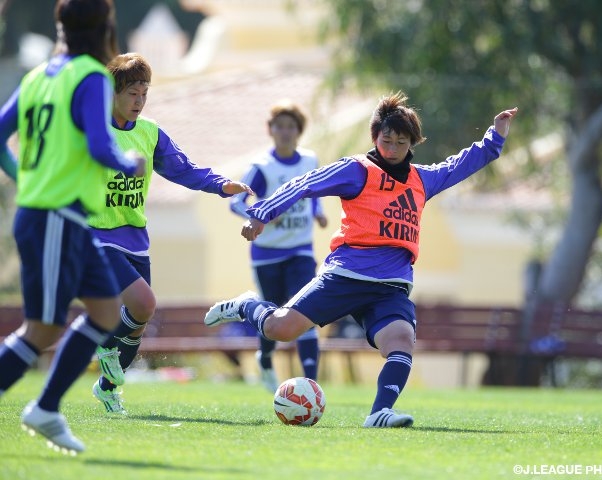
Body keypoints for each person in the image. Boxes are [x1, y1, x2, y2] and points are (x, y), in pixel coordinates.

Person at [205, 91, 518, 427]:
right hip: (346, 275)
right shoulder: (358, 170)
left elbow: (460, 165)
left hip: (391, 287)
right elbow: (304, 184)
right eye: (387, 140)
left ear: (412, 144)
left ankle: (379, 412)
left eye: (401, 142)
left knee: (401, 341)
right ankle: (248, 306)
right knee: (281, 329)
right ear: (375, 137)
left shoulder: (422, 180)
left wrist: (495, 136)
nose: (393, 148)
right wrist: (262, 214)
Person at [0, 0, 146, 454]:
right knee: (41, 330)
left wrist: (24, 176)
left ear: (61, 26)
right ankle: (45, 407)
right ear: (105, 27)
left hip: (63, 218)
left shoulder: (36, 76)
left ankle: (45, 409)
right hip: (54, 217)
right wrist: (130, 164)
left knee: (104, 313)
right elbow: (103, 147)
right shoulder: (88, 75)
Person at [89, 52, 254, 413]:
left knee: (138, 324)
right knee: (144, 303)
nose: (139, 101)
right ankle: (101, 341)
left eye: (144, 93)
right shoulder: (93, 130)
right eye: (132, 93)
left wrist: (221, 184)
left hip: (135, 238)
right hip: (97, 235)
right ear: (113, 93)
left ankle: (107, 388)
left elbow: (185, 170)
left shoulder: (149, 132)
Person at [229, 99, 327, 392]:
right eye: (280, 126)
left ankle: (311, 384)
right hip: (266, 255)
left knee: (306, 311)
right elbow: (236, 202)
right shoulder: (262, 168)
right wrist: (259, 216)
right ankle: (266, 358)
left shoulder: (309, 161)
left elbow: (314, 192)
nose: (285, 132)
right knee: (272, 315)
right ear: (270, 130)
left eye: (291, 127)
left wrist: (318, 211)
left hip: (301, 250)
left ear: (299, 131)